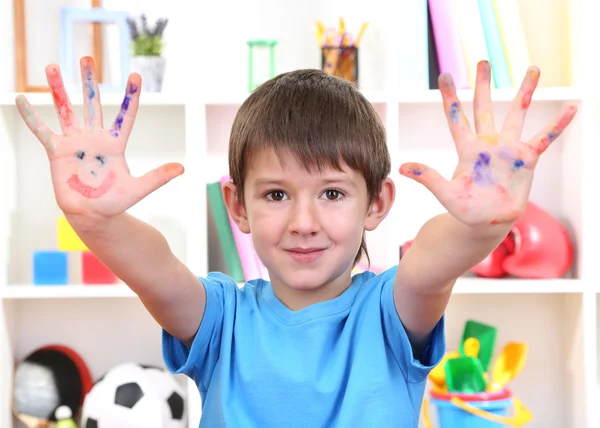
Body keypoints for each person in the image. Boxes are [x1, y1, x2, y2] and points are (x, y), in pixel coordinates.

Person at [16, 56, 576, 427]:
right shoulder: (221, 318)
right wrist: (97, 222)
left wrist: (481, 226)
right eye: (277, 195)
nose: (303, 221)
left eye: (332, 194)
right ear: (237, 205)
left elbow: (432, 262)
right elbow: (155, 270)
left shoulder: (389, 311)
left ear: (377, 204)